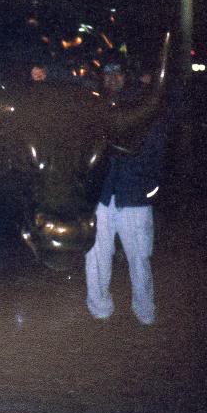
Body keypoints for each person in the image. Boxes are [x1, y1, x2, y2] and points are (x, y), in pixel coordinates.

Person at [85, 57, 167, 327]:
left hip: (134, 194)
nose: (112, 78)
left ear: (127, 75)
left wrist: (149, 185)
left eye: (118, 72)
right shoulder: (93, 105)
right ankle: (99, 308)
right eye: (107, 73)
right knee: (96, 255)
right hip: (101, 195)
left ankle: (145, 310)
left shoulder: (144, 103)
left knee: (139, 256)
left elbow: (157, 146)